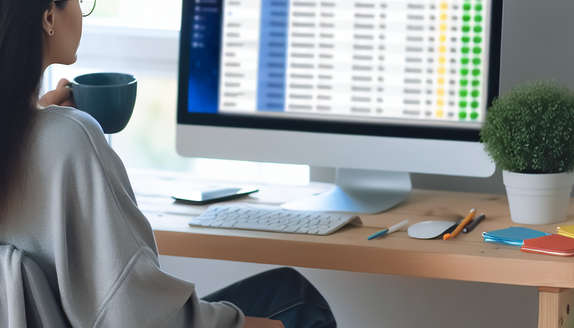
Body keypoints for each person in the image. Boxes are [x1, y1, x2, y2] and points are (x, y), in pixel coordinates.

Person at [0, 1, 336, 327]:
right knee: (298, 299)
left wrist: (37, 116)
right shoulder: (70, 138)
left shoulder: (21, 137)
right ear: (48, 16)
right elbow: (133, 314)